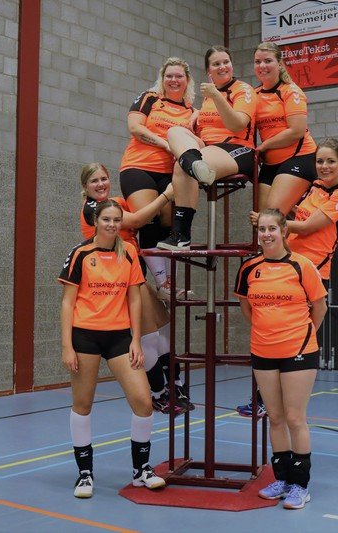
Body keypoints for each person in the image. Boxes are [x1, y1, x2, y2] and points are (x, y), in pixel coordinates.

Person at [237, 139, 338, 418]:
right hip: (287, 262)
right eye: (320, 161)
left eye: (330, 161)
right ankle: (264, 396)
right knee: (271, 322)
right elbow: (296, 214)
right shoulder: (314, 187)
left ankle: (275, 391)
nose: (324, 166)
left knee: (299, 332)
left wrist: (269, 223)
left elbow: (308, 226)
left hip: (312, 269)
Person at [59, 199, 166, 499]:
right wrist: (67, 346)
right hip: (85, 337)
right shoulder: (80, 254)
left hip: (119, 337)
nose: (112, 225)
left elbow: (135, 298)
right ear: (96, 221)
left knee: (143, 402)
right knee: (83, 404)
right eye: (106, 219)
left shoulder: (129, 252)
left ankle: (141, 470)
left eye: (117, 220)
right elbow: (67, 302)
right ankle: (85, 473)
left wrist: (136, 339)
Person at [79, 163, 194, 414]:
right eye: (94, 181)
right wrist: (167, 195)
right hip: (118, 276)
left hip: (137, 272)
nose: (100, 184)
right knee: (149, 334)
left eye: (103, 178)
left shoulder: (118, 201)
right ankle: (158, 393)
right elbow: (139, 219)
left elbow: (148, 220)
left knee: (164, 325)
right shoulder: (93, 209)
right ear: (85, 187)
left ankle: (175, 385)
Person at [234, 208, 327, 510]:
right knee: (274, 418)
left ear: (284, 231)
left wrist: (301, 335)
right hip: (263, 350)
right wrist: (267, 331)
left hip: (298, 351)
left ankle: (300, 485)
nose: (266, 234)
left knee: (295, 418)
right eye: (262, 229)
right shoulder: (249, 268)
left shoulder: (302, 266)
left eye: (272, 228)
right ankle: (282, 479)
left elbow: (319, 307)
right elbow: (247, 307)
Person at [157, 45, 257, 251]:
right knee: (174, 131)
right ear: (208, 71)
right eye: (216, 64)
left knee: (181, 166)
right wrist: (197, 113)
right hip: (208, 149)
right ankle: (195, 166)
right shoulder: (209, 96)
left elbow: (237, 124)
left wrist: (216, 96)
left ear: (232, 65)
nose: (222, 67)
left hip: (238, 149)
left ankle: (181, 235)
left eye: (226, 62)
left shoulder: (243, 89)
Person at [119, 57, 196, 298]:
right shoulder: (150, 98)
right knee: (148, 218)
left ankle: (168, 283)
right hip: (138, 167)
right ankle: (162, 283)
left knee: (169, 225)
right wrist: (166, 144)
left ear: (187, 80)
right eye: (169, 76)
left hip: (170, 172)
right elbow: (135, 128)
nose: (173, 80)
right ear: (162, 79)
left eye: (179, 76)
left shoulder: (192, 111)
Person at [253, 41, 318, 216]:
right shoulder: (254, 94)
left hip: (299, 157)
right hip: (270, 163)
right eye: (258, 62)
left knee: (271, 216)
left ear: (280, 64)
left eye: (268, 61)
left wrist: (265, 146)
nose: (262, 66)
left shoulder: (291, 91)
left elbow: (296, 131)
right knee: (262, 220)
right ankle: (299, 218)